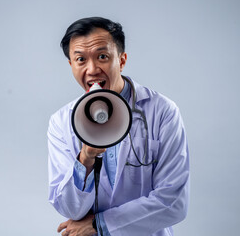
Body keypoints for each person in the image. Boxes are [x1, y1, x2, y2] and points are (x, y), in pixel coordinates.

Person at [47, 17, 189, 236]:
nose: (92, 69)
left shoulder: (162, 112)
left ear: (121, 60)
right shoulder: (61, 122)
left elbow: (174, 202)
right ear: (71, 65)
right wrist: (85, 158)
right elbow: (68, 208)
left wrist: (99, 224)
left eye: (102, 57)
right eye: (81, 59)